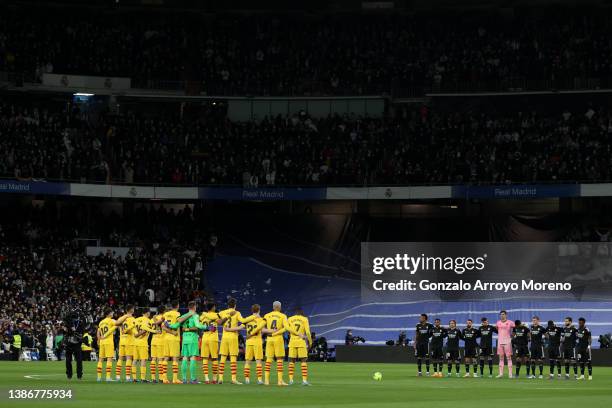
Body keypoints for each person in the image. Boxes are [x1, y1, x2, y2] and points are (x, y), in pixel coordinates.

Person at [166, 301, 209, 384]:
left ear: (188, 307)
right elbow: (198, 325)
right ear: (194, 307)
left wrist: (169, 325)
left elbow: (176, 325)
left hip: (185, 338)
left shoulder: (184, 316)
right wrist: (206, 327)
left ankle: (184, 379)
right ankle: (193, 379)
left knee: (185, 357)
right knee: (193, 357)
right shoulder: (195, 315)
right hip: (192, 338)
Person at [217, 297, 256, 384]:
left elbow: (218, 321)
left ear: (227, 305)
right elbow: (243, 321)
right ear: (235, 305)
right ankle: (233, 379)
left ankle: (220, 378)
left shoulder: (222, 312)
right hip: (233, 336)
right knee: (233, 358)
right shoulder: (237, 313)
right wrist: (252, 317)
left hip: (224, 337)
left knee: (223, 357)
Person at [263, 300, 290, 386]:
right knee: (279, 359)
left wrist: (270, 332)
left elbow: (262, 329)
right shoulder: (283, 316)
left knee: (268, 359)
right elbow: (286, 328)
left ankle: (266, 381)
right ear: (280, 307)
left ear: (273, 307)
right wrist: (276, 332)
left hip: (269, 339)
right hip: (278, 338)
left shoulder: (266, 315)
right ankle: (280, 381)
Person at [96, 307, 126, 382]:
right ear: (109, 313)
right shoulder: (111, 320)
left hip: (102, 342)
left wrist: (98, 340)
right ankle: (108, 377)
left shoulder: (101, 322)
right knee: (109, 359)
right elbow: (118, 324)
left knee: (100, 359)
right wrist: (124, 318)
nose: (113, 314)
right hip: (109, 341)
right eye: (112, 312)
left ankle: (99, 377)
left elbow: (98, 332)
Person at [287, 308, 312, 386]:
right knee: (303, 361)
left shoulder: (290, 319)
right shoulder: (304, 319)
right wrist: (310, 342)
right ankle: (304, 381)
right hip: (301, 342)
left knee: (291, 361)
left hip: (292, 342)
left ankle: (291, 380)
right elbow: (307, 332)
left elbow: (288, 330)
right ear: (302, 313)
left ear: (295, 313)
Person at [243, 304, 267, 384]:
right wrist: (274, 331)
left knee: (248, 361)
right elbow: (263, 330)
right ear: (259, 310)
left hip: (249, 341)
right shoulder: (261, 319)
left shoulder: (247, 319)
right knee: (258, 361)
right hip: (257, 341)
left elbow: (241, 326)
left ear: (252, 310)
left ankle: (247, 379)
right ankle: (259, 380)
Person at [199, 302, 222, 384]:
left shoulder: (202, 316)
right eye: (214, 306)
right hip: (213, 338)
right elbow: (220, 322)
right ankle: (214, 379)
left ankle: (206, 378)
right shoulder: (216, 315)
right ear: (212, 307)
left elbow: (199, 323)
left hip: (205, 337)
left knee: (205, 358)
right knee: (214, 358)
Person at [162, 301, 182, 384]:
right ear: (177, 306)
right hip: (174, 338)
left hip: (166, 338)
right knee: (175, 358)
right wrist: (173, 332)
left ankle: (164, 378)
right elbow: (179, 322)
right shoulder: (177, 314)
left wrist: (169, 332)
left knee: (166, 357)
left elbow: (163, 326)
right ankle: (175, 379)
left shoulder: (166, 314)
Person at [134, 309, 156, 383]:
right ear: (147, 313)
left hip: (135, 342)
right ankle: (143, 378)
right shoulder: (148, 320)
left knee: (135, 360)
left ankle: (134, 378)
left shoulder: (136, 320)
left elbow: (134, 331)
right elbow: (148, 329)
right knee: (143, 360)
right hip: (143, 343)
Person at [63, 309, 86, 380]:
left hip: (74, 343)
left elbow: (81, 332)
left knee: (74, 360)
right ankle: (75, 375)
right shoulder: (71, 322)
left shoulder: (79, 323)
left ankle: (73, 375)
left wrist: (72, 331)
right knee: (71, 360)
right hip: (72, 343)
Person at [116, 305, 136, 381]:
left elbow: (117, 325)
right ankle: (128, 377)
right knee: (129, 358)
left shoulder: (122, 318)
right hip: (129, 341)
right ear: (131, 310)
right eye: (133, 308)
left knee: (120, 358)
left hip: (122, 340)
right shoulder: (132, 319)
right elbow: (130, 331)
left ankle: (118, 377)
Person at [496, 310, 515, 378]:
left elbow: (515, 329)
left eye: (503, 314)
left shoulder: (510, 322)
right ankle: (501, 374)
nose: (502, 315)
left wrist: (512, 336)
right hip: (500, 342)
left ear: (506, 315)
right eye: (501, 314)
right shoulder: (498, 323)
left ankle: (510, 374)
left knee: (508, 358)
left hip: (507, 342)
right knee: (501, 358)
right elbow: (497, 330)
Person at [149, 305, 166, 383]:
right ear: (164, 310)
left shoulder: (153, 318)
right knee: (160, 359)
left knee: (153, 359)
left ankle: (153, 378)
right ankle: (161, 377)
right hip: (160, 339)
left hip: (153, 340)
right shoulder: (163, 317)